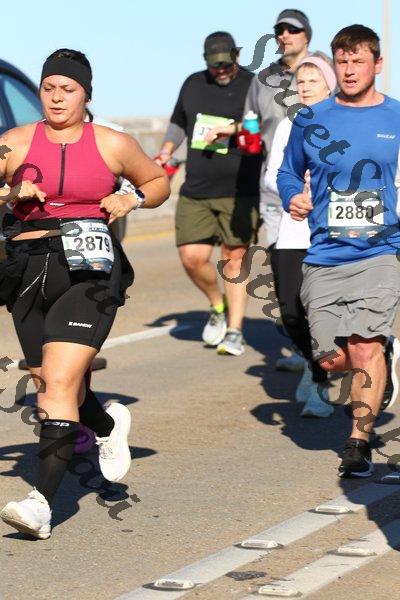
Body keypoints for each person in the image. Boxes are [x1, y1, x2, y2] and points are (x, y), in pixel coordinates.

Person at [0, 48, 169, 538]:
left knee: (57, 382)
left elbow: (157, 181)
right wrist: (11, 193)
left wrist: (131, 197)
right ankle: (107, 426)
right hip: (28, 268)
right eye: (49, 88)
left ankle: (40, 506)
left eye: (68, 89)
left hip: (90, 272)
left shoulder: (112, 143)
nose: (57, 97)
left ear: (86, 95)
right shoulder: (13, 143)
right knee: (48, 380)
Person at [277, 25, 400, 477]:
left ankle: (357, 444)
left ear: (377, 64)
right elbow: (288, 172)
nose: (349, 70)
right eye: (343, 62)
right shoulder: (311, 119)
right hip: (325, 254)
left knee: (364, 348)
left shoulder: (396, 117)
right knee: (332, 359)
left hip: (380, 252)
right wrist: (293, 196)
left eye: (358, 61)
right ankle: (384, 357)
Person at [156, 32, 262, 356]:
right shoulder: (193, 84)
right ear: (206, 61)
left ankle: (235, 330)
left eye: (227, 64)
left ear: (237, 57)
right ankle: (218, 305)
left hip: (240, 190)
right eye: (216, 66)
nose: (222, 71)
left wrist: (234, 129)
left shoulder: (253, 85)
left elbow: (264, 127)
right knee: (192, 257)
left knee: (234, 259)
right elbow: (178, 123)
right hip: (197, 188)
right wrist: (167, 149)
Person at [265, 53, 337, 417]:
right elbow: (271, 175)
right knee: (291, 312)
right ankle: (313, 362)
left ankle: (321, 384)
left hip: (333, 231)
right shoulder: (287, 125)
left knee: (325, 312)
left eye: (313, 80)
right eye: (301, 81)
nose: (305, 87)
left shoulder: (343, 124)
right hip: (293, 228)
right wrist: (293, 193)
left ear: (329, 85)